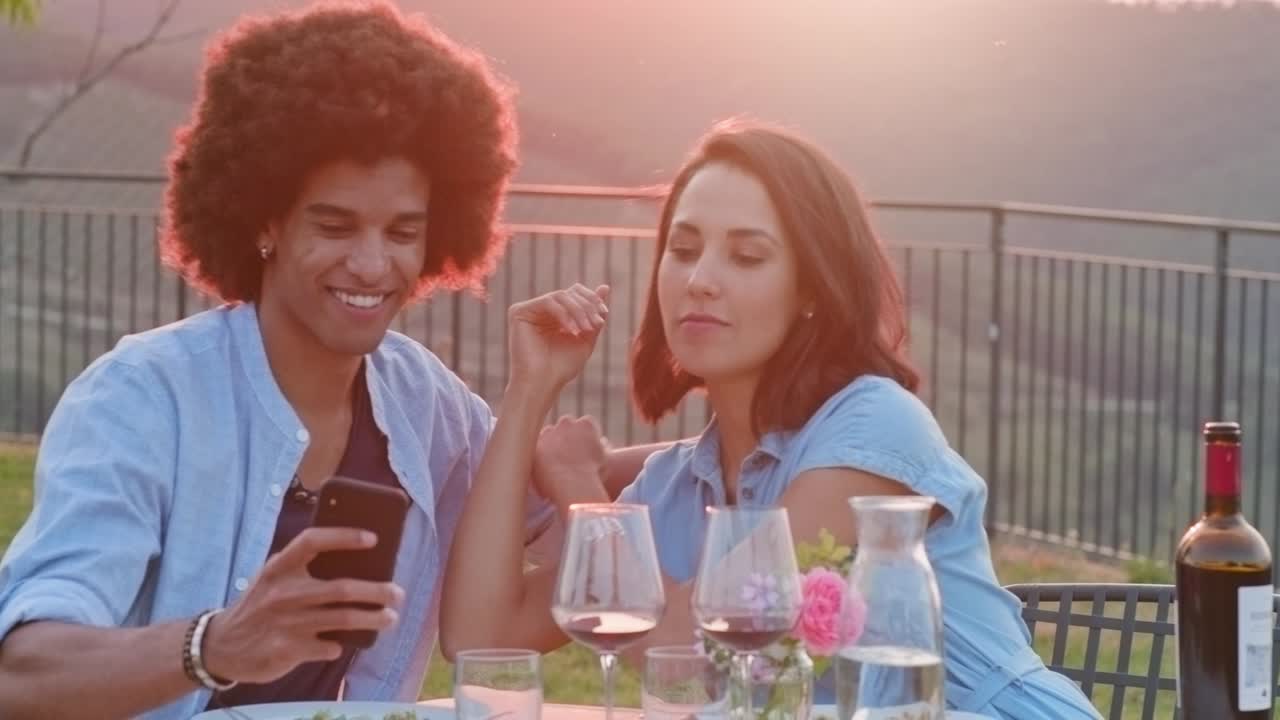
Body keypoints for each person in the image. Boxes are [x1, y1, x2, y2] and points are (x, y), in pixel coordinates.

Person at [0, 3, 654, 719]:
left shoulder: (423, 402)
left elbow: (600, 490)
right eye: (335, 226)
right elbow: (21, 671)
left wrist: (740, 435)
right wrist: (215, 645)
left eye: (401, 233)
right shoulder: (143, 399)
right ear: (266, 221)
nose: (372, 265)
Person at [440, 120, 1103, 718]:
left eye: (747, 256)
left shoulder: (874, 429)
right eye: (683, 249)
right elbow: (480, 637)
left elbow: (697, 655)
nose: (700, 279)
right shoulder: (674, 489)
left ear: (813, 288)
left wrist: (580, 490)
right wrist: (529, 392)